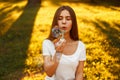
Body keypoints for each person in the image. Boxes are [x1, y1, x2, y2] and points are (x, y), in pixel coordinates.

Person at [42, 5, 86, 80]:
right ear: (56, 22)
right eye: (60, 19)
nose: (64, 22)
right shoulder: (47, 43)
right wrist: (58, 52)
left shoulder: (80, 46)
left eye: (68, 19)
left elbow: (79, 73)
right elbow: (49, 73)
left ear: (73, 23)